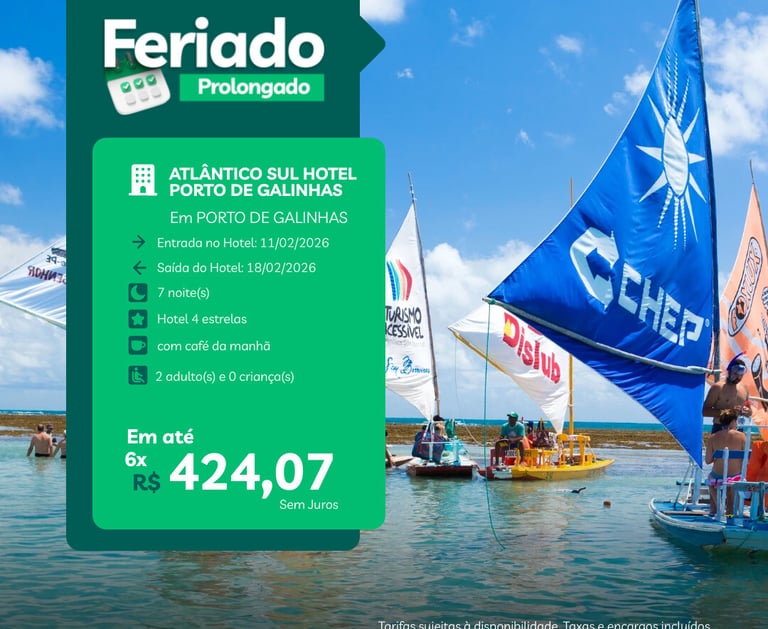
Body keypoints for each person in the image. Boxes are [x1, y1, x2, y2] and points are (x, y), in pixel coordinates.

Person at [705, 409, 747, 516]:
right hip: (735, 476)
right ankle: (729, 511)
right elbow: (746, 458)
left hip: (717, 475)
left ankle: (716, 509)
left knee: (710, 479)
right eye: (736, 421)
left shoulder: (713, 437)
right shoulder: (742, 436)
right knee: (732, 483)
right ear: (732, 421)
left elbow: (708, 461)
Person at [702, 356, 752, 433]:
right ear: (729, 371)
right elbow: (705, 411)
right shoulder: (718, 387)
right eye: (735, 373)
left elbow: (749, 411)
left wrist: (747, 411)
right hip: (720, 428)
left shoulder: (744, 388)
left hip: (738, 429)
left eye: (741, 374)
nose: (738, 377)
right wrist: (727, 412)